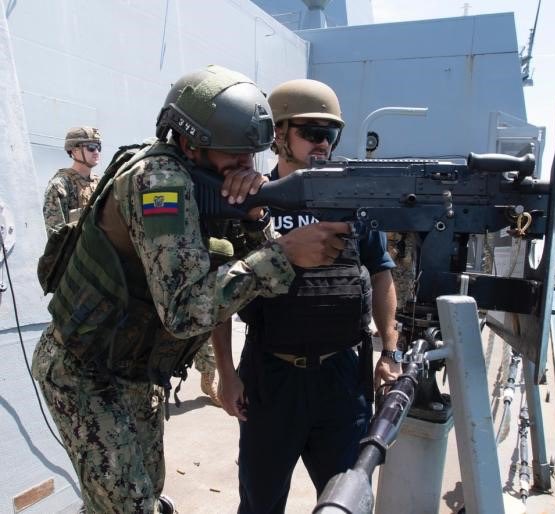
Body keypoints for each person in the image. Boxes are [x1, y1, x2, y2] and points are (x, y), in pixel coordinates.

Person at [31, 65, 350, 514]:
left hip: (134, 371)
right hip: (84, 371)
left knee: (137, 494)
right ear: (189, 142)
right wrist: (282, 254)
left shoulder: (207, 182)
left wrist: (255, 218)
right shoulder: (157, 181)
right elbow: (185, 311)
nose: (246, 167)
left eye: (251, 156)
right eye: (234, 155)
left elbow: (245, 279)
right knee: (130, 506)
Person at [214, 78, 401, 513]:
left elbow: (381, 272)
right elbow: (219, 290)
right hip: (271, 378)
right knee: (260, 504)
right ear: (278, 133)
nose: (323, 143)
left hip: (342, 380)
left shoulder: (355, 198)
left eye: (330, 134)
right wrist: (226, 372)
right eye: (312, 132)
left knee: (347, 502)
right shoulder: (249, 200)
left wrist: (389, 350)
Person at [42, 126, 102, 236]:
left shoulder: (100, 183)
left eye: (98, 146)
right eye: (91, 147)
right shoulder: (59, 186)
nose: (96, 152)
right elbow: (56, 237)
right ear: (75, 151)